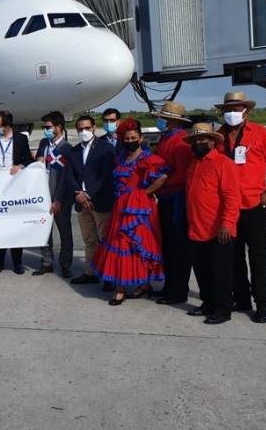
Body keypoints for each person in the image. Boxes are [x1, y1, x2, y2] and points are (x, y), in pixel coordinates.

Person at [215, 92, 266, 324]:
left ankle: (263, 302)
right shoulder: (218, 136)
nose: (232, 113)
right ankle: (242, 297)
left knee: (257, 255)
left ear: (246, 111)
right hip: (228, 207)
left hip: (254, 204)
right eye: (228, 110)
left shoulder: (260, 134)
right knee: (232, 255)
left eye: (237, 109)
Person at [91, 119, 168, 305]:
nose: (130, 140)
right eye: (127, 138)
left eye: (133, 137)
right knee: (121, 245)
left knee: (137, 246)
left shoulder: (147, 158)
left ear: (141, 138)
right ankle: (121, 288)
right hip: (121, 207)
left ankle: (142, 285)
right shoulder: (122, 158)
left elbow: (163, 176)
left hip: (139, 209)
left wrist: (144, 192)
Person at [183, 123, 241, 325]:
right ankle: (208, 303)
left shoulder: (223, 164)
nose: (199, 143)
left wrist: (227, 223)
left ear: (212, 142)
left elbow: (232, 196)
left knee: (221, 271)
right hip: (196, 227)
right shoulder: (193, 164)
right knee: (202, 269)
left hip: (218, 229)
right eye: (195, 140)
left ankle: (223, 308)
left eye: (203, 140)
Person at [150, 101, 196, 306]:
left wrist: (162, 182)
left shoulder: (180, 141)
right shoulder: (167, 138)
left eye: (163, 118)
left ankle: (178, 290)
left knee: (177, 247)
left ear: (171, 121)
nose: (160, 121)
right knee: (168, 246)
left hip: (174, 198)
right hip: (166, 196)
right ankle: (171, 286)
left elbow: (180, 172)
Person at [64, 115, 116, 288]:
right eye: (80, 129)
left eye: (86, 128)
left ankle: (109, 275)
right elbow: (70, 175)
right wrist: (79, 194)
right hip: (81, 202)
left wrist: (89, 194)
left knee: (105, 239)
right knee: (89, 240)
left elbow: (105, 176)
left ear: (94, 128)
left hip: (99, 201)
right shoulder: (74, 150)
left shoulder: (105, 148)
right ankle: (90, 272)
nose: (83, 131)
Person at [0, 110, 33, 274]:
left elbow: (28, 159)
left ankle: (17, 263)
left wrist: (20, 166)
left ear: (7, 125)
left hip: (14, 185)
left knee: (15, 224)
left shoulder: (21, 139)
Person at [34, 112, 74, 278]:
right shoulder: (44, 143)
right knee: (44, 232)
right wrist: (37, 160)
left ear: (59, 127)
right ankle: (46, 262)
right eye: (44, 127)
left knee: (65, 233)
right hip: (43, 195)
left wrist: (57, 199)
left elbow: (66, 178)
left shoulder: (67, 149)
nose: (45, 130)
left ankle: (65, 265)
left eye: (48, 127)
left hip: (61, 198)